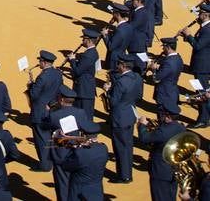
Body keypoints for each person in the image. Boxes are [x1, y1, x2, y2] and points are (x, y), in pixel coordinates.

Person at [104, 53, 143, 184]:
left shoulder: (121, 82)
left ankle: (124, 176)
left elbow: (113, 102)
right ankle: (127, 173)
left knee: (120, 147)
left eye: (119, 64)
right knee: (128, 145)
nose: (117, 66)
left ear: (124, 66)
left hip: (119, 117)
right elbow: (139, 95)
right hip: (130, 114)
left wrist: (108, 91)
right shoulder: (137, 77)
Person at [137, 103, 187, 201]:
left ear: (168, 116)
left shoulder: (162, 132)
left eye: (163, 115)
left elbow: (144, 138)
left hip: (160, 171)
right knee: (170, 196)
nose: (161, 116)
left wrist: (141, 126)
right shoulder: (181, 127)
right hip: (174, 169)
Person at [26, 50, 62, 172]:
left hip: (40, 112)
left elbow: (33, 95)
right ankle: (52, 160)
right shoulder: (58, 74)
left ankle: (45, 165)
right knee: (50, 137)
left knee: (41, 139)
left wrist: (31, 86)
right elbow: (59, 90)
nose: (39, 63)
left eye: (40, 61)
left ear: (45, 62)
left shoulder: (42, 77)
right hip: (51, 109)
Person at [179, 1, 210, 127]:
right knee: (202, 91)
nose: (198, 15)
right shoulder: (205, 27)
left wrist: (189, 35)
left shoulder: (208, 30)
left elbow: (198, 45)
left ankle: (203, 119)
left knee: (201, 93)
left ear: (206, 15)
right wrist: (188, 38)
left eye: (200, 13)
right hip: (202, 64)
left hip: (203, 66)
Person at [60, 122, 108, 201]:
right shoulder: (103, 148)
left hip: (79, 191)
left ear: (84, 135)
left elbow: (66, 165)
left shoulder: (80, 153)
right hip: (96, 189)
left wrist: (74, 150)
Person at [68, 29, 99, 121]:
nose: (82, 41)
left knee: (84, 116)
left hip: (83, 90)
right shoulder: (92, 52)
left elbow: (78, 71)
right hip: (86, 89)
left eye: (84, 39)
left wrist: (72, 60)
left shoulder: (88, 55)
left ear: (89, 40)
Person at [149, 37, 183, 114]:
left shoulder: (168, 62)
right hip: (173, 91)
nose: (163, 49)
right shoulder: (178, 58)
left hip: (165, 93)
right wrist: (160, 68)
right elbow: (172, 71)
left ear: (167, 47)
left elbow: (156, 79)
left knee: (163, 115)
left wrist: (153, 69)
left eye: (163, 47)